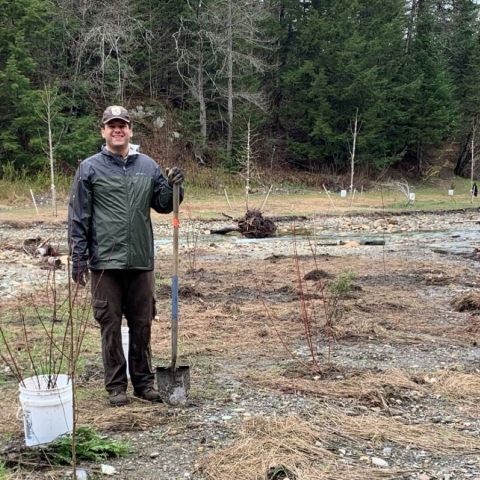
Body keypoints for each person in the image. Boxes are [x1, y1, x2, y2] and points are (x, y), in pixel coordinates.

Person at [68, 105, 185, 407]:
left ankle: (144, 384)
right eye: (111, 126)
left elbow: (162, 204)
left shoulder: (147, 165)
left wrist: (175, 186)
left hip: (141, 261)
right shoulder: (89, 168)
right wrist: (78, 258)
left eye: (122, 125)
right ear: (103, 131)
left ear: (130, 130)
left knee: (142, 323)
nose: (117, 130)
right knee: (109, 324)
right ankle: (116, 387)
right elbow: (79, 216)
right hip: (104, 262)